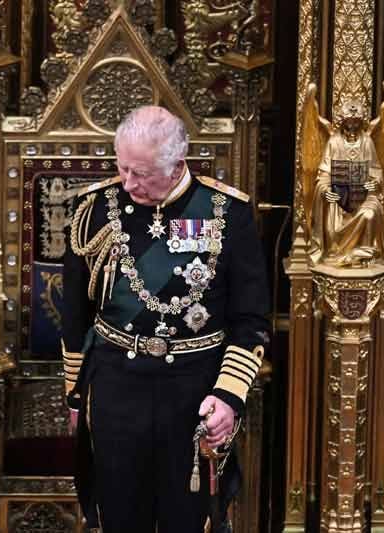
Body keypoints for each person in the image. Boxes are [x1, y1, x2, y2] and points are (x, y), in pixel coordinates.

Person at [62, 106, 270, 532]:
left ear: (178, 164)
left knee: (188, 520)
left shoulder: (227, 213)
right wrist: (75, 392)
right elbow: (74, 313)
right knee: (118, 517)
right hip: (117, 387)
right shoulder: (94, 209)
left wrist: (229, 397)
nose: (128, 183)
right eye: (122, 168)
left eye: (141, 173)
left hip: (194, 391)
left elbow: (250, 319)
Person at [309, 100, 384, 266]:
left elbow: (376, 171)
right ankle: (334, 252)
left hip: (364, 197)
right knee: (332, 226)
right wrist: (325, 190)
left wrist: (375, 183)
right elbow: (324, 174)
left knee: (370, 214)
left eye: (356, 122)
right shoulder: (334, 143)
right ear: (342, 121)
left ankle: (364, 254)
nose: (352, 126)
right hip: (339, 197)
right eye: (349, 122)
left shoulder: (367, 142)